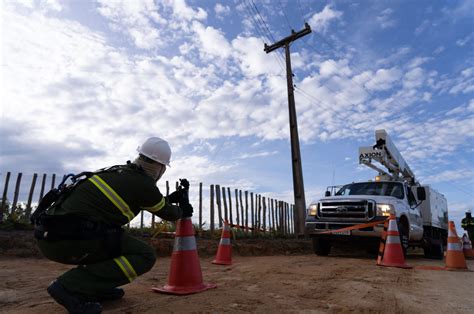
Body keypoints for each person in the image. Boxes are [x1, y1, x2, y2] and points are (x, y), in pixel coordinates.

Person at [32, 137, 193, 314]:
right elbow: (168, 213)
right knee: (144, 255)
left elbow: (146, 201)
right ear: (161, 167)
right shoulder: (143, 184)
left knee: (113, 239)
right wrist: (183, 209)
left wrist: (170, 199)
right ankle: (68, 287)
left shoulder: (119, 172)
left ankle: (95, 287)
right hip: (69, 241)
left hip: (51, 236)